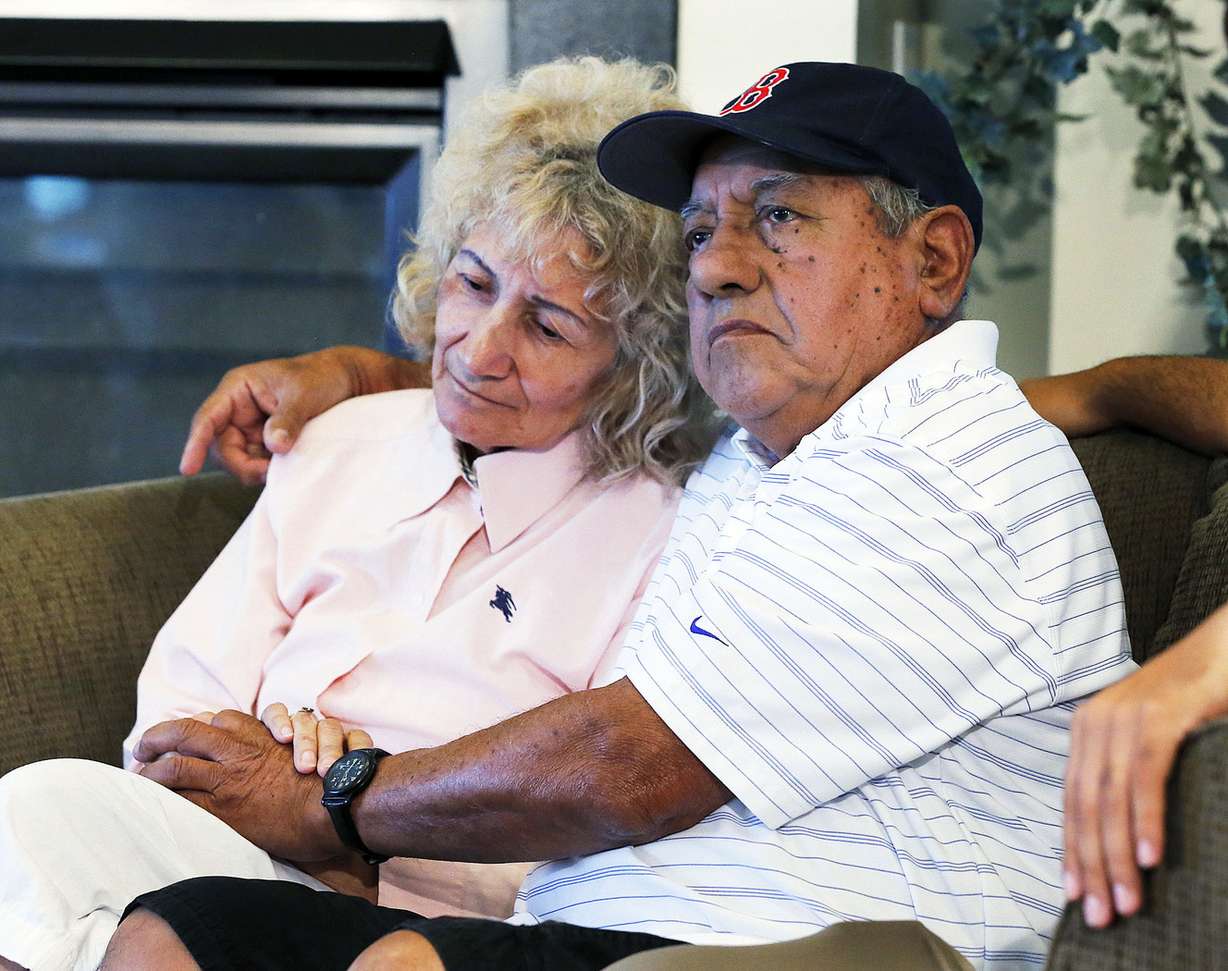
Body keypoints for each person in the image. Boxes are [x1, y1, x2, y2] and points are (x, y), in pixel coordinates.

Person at [96, 61, 1157, 970]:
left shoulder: (937, 463)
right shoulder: (768, 452)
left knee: (404, 960)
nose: (719, 263)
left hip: (793, 943)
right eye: (702, 230)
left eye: (779, 216)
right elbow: (560, 383)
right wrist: (360, 372)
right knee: (178, 932)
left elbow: (632, 763)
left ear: (933, 260)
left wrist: (336, 798)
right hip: (605, 933)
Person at [0, 56, 718, 971]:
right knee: (38, 814)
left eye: (547, 327)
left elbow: (582, 832)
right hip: (220, 851)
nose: (479, 348)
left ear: (635, 366)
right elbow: (172, 719)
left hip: (425, 920)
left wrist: (353, 812)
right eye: (471, 282)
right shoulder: (345, 439)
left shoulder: (660, 533)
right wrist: (265, 772)